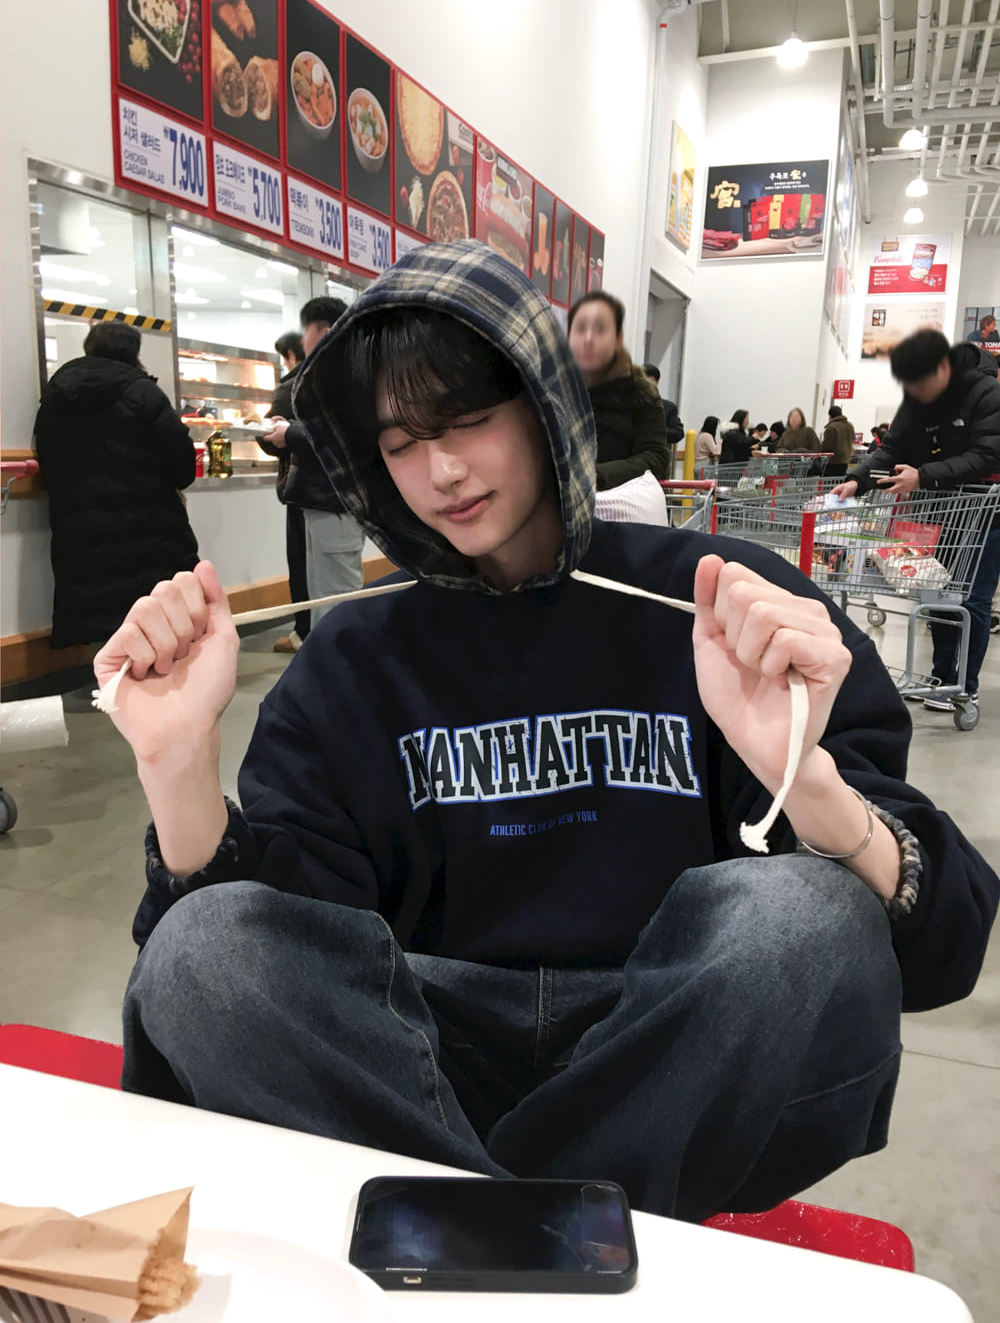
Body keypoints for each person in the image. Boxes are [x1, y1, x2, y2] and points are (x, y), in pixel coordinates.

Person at [98, 242, 997, 1227]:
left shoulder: (720, 604)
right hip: (421, 1054)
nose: (441, 471)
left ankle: (472, 1232)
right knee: (200, 949)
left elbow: (939, 945)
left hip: (667, 1046)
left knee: (806, 916)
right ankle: (559, 1234)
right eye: (400, 441)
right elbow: (276, 935)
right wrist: (176, 764)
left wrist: (803, 776)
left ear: (546, 403)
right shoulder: (350, 657)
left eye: (468, 419)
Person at [832, 330, 1000, 712]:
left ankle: (966, 686)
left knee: (973, 599)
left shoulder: (987, 394)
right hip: (941, 511)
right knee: (937, 592)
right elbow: (891, 448)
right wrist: (857, 481)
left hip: (988, 514)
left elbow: (987, 455)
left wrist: (923, 476)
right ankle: (942, 678)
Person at [33, 320, 198, 649]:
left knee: (104, 618)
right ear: (134, 351)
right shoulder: (143, 393)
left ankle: (108, 675)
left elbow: (46, 458)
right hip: (148, 528)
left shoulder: (56, 395)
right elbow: (182, 466)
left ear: (89, 347)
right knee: (152, 618)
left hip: (79, 527)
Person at [262, 298, 365, 622]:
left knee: (337, 598)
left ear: (325, 331)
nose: (303, 340)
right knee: (325, 595)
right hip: (327, 500)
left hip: (335, 499)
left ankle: (343, 654)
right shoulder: (341, 370)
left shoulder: (343, 374)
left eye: (306, 331)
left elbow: (339, 434)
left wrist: (290, 433)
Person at [568, 291, 671, 489]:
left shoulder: (641, 394)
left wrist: (597, 476)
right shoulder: (554, 390)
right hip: (560, 502)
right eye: (580, 329)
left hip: (617, 500)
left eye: (600, 329)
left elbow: (656, 458)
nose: (588, 339)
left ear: (617, 339)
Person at [257, 332, 310, 654]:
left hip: (306, 491)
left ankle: (305, 633)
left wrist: (271, 433)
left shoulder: (293, 385)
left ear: (290, 354)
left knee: (305, 568)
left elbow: (272, 439)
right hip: (334, 496)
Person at [642, 363, 686, 447]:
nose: (646, 385)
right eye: (642, 381)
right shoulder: (629, 405)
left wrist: (656, 430)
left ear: (657, 382)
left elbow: (678, 433)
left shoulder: (668, 407)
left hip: (657, 452)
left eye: (650, 381)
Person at [821, 405, 856, 476]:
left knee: (829, 480)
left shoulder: (831, 427)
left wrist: (819, 451)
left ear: (830, 415)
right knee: (839, 480)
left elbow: (827, 445)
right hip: (845, 459)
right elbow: (853, 439)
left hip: (833, 460)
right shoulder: (850, 426)